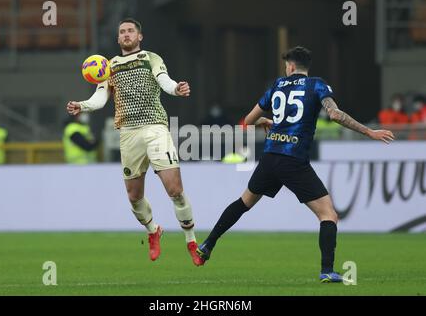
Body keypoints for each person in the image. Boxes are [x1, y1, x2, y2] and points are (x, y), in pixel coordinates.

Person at [196, 46, 395, 282]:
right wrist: (369, 132)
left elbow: (247, 121)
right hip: (294, 159)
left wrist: (264, 120)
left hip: (270, 158)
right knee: (328, 214)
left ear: (290, 66)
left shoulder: (277, 86)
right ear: (304, 67)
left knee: (244, 202)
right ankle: (327, 270)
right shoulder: (317, 85)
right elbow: (335, 115)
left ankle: (208, 243)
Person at [66, 18, 203, 266]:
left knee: (175, 189)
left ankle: (191, 242)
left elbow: (164, 80)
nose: (126, 34)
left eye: (131, 31)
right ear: (118, 39)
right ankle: (153, 231)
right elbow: (99, 98)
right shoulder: (109, 67)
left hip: (155, 128)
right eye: (122, 32)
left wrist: (176, 89)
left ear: (140, 36)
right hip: (128, 133)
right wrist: (82, 105)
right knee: (134, 196)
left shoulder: (151, 58)